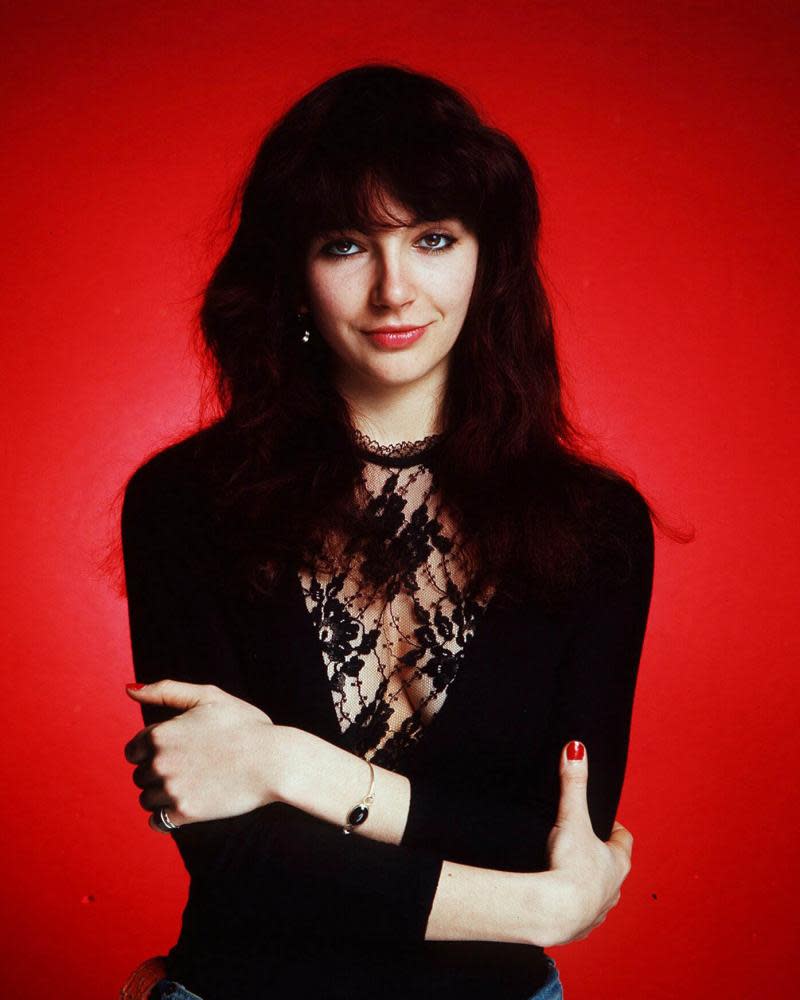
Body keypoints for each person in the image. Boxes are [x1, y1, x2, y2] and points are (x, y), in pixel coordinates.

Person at [119, 63, 655, 1000]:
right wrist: (542, 912)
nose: (395, 290)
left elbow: (554, 831)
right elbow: (236, 861)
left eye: (434, 237)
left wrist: (289, 764)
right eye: (346, 245)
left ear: (488, 260)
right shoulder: (185, 502)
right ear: (291, 272)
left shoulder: (597, 527)